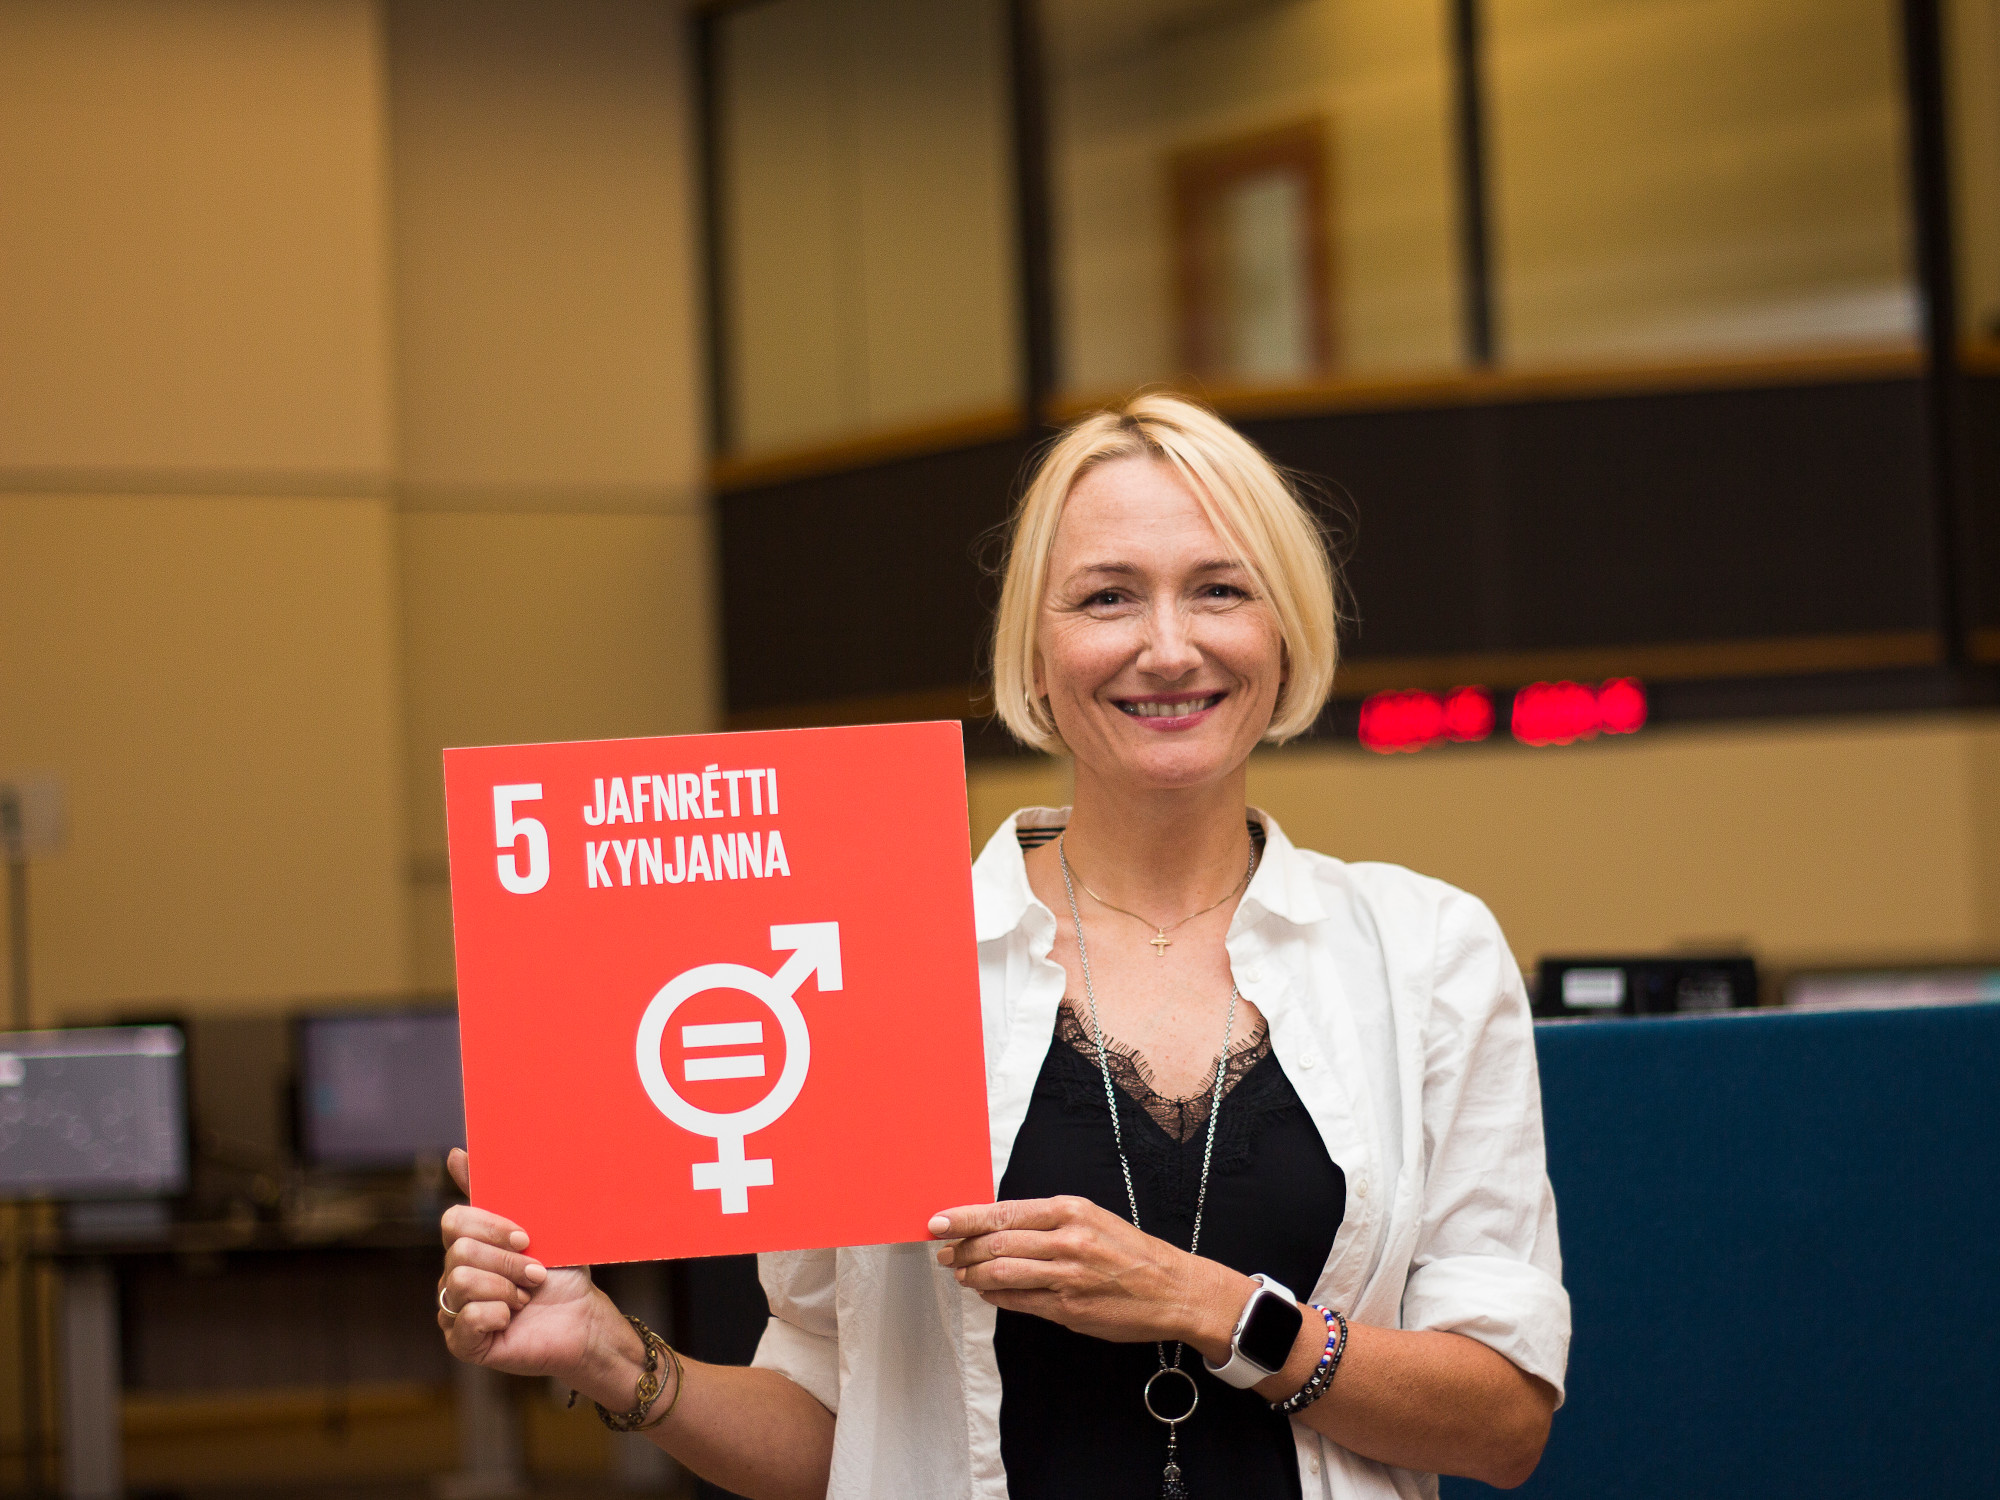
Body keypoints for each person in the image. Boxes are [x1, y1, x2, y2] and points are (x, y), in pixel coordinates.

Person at [436, 394, 1569, 1500]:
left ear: (1284, 634)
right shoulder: (868, 953)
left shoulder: (1424, 951)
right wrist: (602, 1350)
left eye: (1220, 590)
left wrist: (1205, 1307)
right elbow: (833, 1435)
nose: (1167, 647)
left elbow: (1503, 1422)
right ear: (1033, 651)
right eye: (1106, 597)